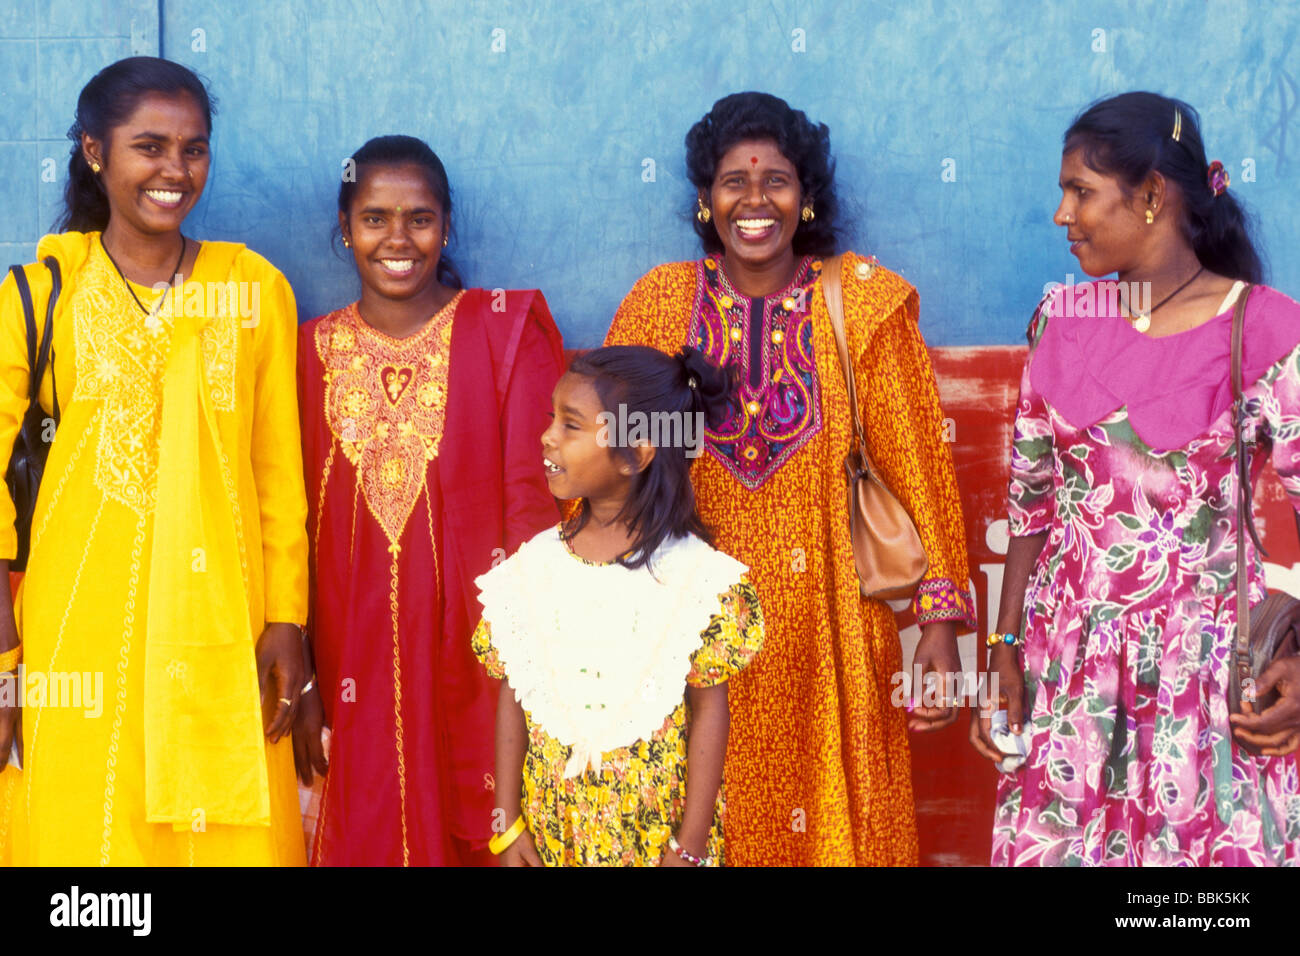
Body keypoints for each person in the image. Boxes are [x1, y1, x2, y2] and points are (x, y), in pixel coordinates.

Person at [604, 92, 974, 865]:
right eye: (733, 181)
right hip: (689, 627)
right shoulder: (659, 304)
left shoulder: (865, 303)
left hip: (834, 624)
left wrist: (939, 625)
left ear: (806, 199)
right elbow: (612, 459)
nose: (755, 199)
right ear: (706, 200)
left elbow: (920, 465)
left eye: (777, 179)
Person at [972, 91, 1300, 865]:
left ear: (1152, 195)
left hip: (1210, 675)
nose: (1062, 214)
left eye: (1081, 191)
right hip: (1070, 671)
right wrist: (1008, 647)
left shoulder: (1265, 327)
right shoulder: (1060, 318)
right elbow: (1032, 503)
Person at [0, 56, 309, 865]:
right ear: (96, 152)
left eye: (195, 149)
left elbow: (279, 470)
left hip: (224, 624)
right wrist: (5, 651)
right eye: (151, 146)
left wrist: (289, 618)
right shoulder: (41, 292)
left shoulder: (251, 287)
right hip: (77, 633)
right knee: (85, 832)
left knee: (228, 821)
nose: (175, 170)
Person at [294, 135, 564, 866]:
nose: (398, 239)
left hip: (481, 660)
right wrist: (310, 674)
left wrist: (534, 669)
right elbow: (287, 521)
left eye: (420, 218)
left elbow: (537, 514)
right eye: (374, 218)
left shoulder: (506, 331)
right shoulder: (306, 353)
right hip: (352, 664)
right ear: (344, 229)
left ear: (446, 227)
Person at [472, 345, 764, 866]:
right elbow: (514, 697)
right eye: (551, 419)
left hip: (657, 849)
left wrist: (690, 848)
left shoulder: (696, 580)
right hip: (551, 839)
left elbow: (709, 712)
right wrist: (507, 824)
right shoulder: (531, 572)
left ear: (637, 453)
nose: (548, 436)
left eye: (572, 425)